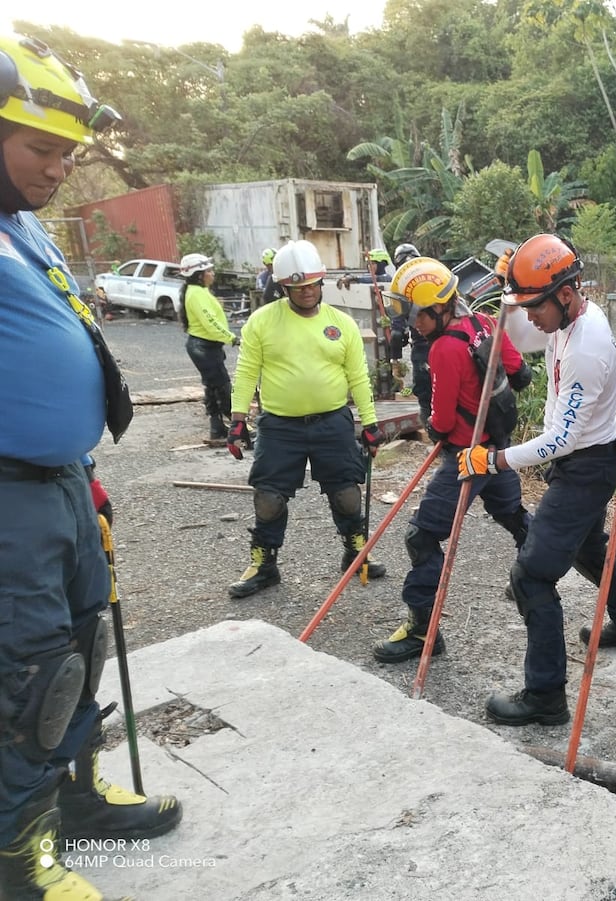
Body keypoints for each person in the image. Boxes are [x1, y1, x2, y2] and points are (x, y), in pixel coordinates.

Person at [0, 32, 181, 896]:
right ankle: (18, 863)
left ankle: (75, 801)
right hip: (10, 499)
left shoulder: (24, 226)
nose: (60, 166)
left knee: (83, 644)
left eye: (68, 151)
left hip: (62, 483)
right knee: (30, 676)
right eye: (41, 147)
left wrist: (79, 467)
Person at [457, 233, 616, 726]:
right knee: (588, 549)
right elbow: (521, 337)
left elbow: (559, 441)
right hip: (587, 457)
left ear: (565, 293)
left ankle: (545, 696)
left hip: (585, 466)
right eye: (525, 306)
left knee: (532, 576)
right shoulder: (566, 317)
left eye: (535, 306)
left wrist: (493, 460)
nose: (531, 317)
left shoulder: (586, 348)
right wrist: (507, 292)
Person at [372, 257, 534, 664]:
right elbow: (520, 373)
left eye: (415, 314)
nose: (412, 324)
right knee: (514, 516)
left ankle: (422, 631)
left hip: (467, 459)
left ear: (439, 307)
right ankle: (533, 575)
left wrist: (438, 427)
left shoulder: (443, 348)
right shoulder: (484, 322)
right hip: (498, 451)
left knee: (421, 536)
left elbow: (442, 422)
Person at [226, 239, 387, 598]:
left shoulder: (341, 324)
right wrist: (237, 421)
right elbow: (246, 372)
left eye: (313, 285)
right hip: (279, 426)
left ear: (321, 282)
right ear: (284, 287)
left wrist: (371, 424)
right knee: (269, 498)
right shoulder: (262, 322)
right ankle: (264, 565)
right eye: (298, 287)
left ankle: (356, 551)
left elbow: (359, 377)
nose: (307, 292)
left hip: (333, 422)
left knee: (347, 494)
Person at [179, 252, 239, 441]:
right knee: (223, 387)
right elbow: (210, 322)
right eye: (209, 271)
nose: (212, 273)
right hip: (204, 347)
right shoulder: (197, 294)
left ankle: (217, 427)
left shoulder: (198, 291)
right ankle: (239, 427)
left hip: (205, 347)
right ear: (199, 275)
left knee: (213, 387)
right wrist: (231, 338)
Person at [390, 243, 433, 423]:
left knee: (426, 398)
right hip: (448, 345)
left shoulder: (402, 289)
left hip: (422, 351)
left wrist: (395, 359)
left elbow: (396, 334)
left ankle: (433, 432)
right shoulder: (433, 279)